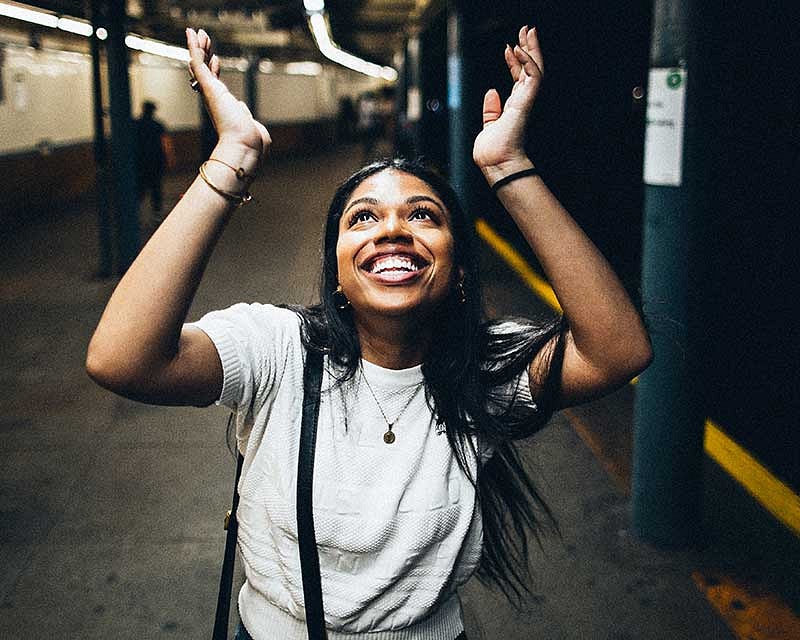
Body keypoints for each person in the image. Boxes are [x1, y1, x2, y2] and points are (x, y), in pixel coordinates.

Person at [86, 25, 652, 640]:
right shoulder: (278, 349)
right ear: (336, 270)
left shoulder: (483, 375)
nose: (392, 230)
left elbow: (618, 351)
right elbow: (123, 359)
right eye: (363, 218)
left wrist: (508, 166)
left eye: (423, 216)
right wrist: (232, 158)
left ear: (459, 270)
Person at [134, 100, 173, 229]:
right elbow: (165, 143)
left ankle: (134, 214)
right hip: (156, 162)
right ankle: (156, 215)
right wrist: (170, 159)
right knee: (156, 188)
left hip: (140, 162)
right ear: (153, 111)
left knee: (140, 188)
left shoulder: (135, 124)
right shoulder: (158, 125)